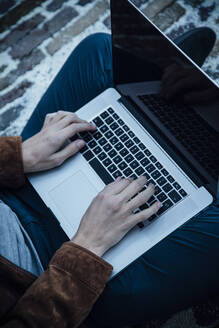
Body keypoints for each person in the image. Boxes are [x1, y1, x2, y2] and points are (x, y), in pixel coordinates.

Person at [0, 28, 218, 328]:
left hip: (11, 194)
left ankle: (173, 103)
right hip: (48, 280)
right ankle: (187, 109)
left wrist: (18, 157)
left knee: (99, 51)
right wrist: (87, 248)